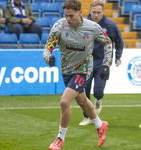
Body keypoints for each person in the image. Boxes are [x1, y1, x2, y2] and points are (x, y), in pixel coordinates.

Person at [43, 0, 112, 149]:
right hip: (66, 71)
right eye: (66, 15)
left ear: (80, 13)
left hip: (83, 70)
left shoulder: (93, 27)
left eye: (71, 16)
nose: (68, 19)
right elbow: (48, 48)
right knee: (82, 101)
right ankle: (100, 125)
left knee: (64, 101)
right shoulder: (59, 26)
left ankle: (60, 138)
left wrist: (106, 63)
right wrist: (48, 58)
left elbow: (108, 42)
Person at [79, 0, 123, 126]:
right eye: (94, 12)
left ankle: (98, 100)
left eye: (99, 12)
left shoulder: (110, 25)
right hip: (86, 62)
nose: (96, 15)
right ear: (90, 11)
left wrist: (117, 58)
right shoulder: (83, 23)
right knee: (84, 90)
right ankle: (86, 117)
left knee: (98, 90)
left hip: (102, 62)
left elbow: (119, 42)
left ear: (103, 12)